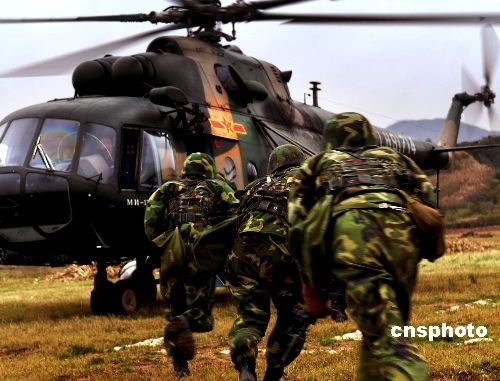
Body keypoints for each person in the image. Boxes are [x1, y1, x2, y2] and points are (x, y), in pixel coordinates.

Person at [288, 112, 443, 381]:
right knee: (383, 330)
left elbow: (299, 226)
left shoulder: (318, 164)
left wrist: (312, 287)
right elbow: (428, 199)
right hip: (403, 245)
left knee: (390, 342)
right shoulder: (397, 159)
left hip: (355, 244)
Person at [144, 152, 239, 378]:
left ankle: (180, 366)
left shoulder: (167, 189)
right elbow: (236, 215)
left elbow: (150, 220)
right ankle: (186, 320)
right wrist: (219, 244)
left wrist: (165, 241)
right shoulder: (217, 187)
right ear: (207, 169)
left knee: (174, 306)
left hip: (173, 252)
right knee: (202, 316)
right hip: (200, 253)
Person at [226, 144, 313, 381]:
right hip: (284, 249)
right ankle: (274, 372)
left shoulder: (256, 186)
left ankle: (246, 367)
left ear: (273, 166)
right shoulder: (308, 182)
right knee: (294, 316)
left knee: (250, 315)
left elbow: (236, 218)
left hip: (243, 251)